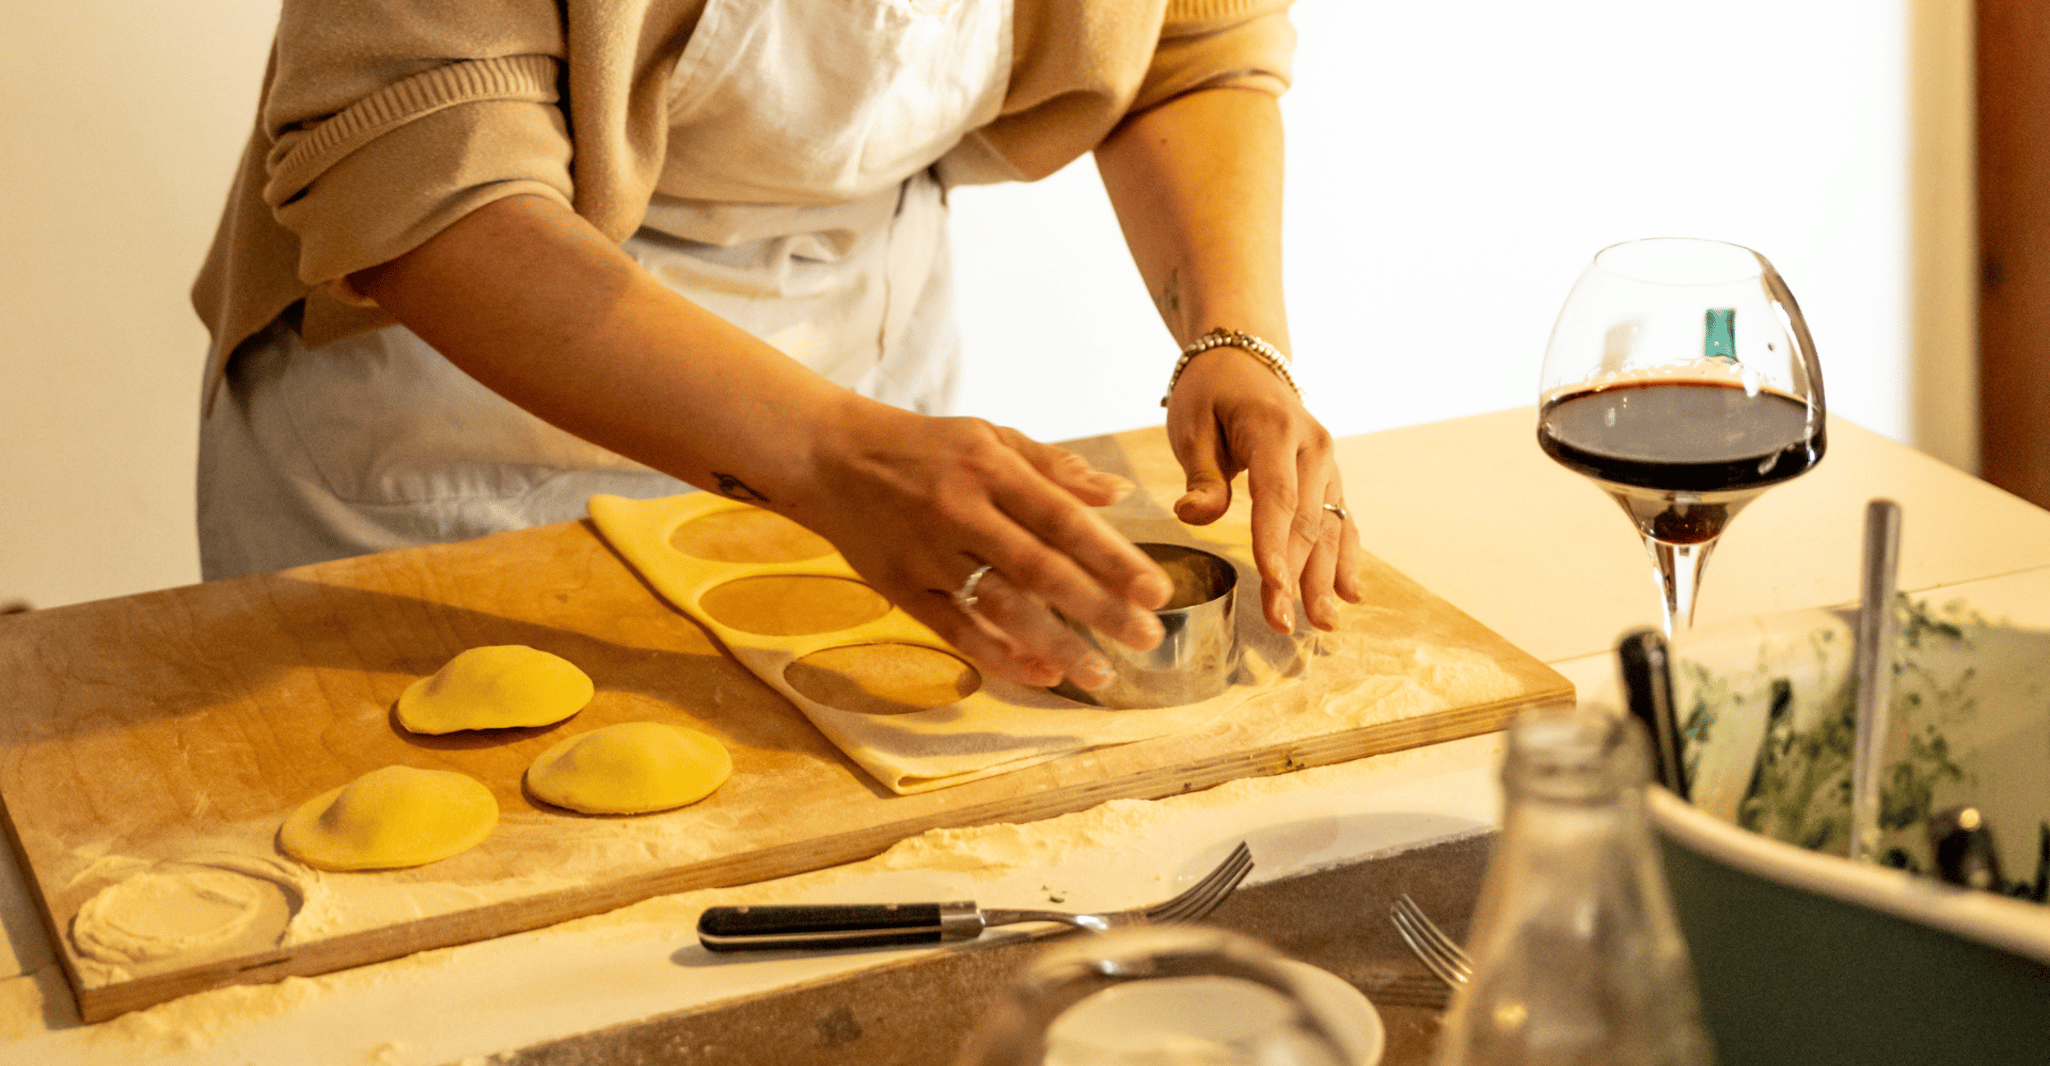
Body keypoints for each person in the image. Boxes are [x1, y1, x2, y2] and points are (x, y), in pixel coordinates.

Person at [191, 0, 1363, 696]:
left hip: (873, 381)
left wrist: (1233, 334)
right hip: (464, 410)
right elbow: (415, 165)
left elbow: (1189, 37)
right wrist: (835, 458)